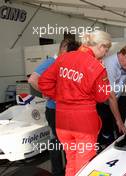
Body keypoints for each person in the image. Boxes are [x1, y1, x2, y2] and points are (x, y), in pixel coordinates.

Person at [38, 30, 112, 176]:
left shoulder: (63, 58)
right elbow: (102, 96)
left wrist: (60, 96)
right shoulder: (97, 67)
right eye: (106, 49)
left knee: (71, 160)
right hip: (84, 122)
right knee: (84, 165)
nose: (105, 53)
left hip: (62, 120)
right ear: (101, 46)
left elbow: (43, 82)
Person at [28, 39, 80, 176]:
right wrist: (46, 92)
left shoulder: (66, 63)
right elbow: (32, 79)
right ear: (63, 49)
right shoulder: (51, 62)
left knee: (65, 142)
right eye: (70, 54)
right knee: (56, 142)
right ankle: (58, 172)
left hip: (65, 110)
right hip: (54, 110)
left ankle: (67, 170)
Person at [97, 44, 126, 147]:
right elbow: (111, 97)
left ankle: (120, 142)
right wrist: (119, 121)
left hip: (115, 99)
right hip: (103, 102)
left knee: (119, 130)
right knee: (107, 130)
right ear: (121, 55)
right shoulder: (111, 65)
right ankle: (103, 147)